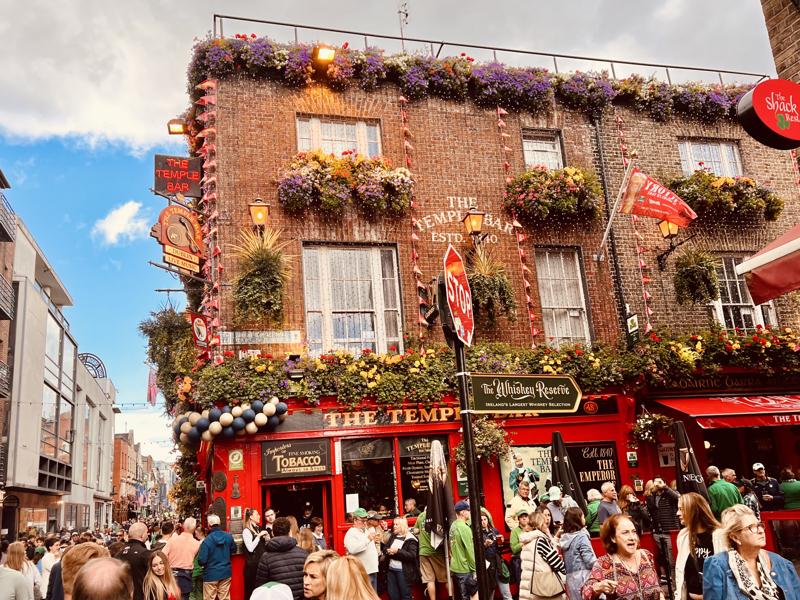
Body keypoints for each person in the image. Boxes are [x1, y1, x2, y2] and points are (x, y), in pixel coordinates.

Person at [702, 504, 800, 600]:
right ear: (735, 537)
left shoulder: (781, 563)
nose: (761, 530)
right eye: (751, 527)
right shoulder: (718, 566)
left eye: (759, 525)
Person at [581, 515, 663, 600]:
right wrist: (597, 588)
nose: (632, 537)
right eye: (625, 532)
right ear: (613, 538)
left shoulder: (646, 556)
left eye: (634, 532)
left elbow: (658, 590)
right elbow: (585, 594)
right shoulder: (604, 564)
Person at [674, 492, 724, 600]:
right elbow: (681, 572)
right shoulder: (683, 536)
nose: (677, 513)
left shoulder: (719, 536)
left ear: (695, 510)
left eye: (681, 509)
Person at [255, 517, 309, 600]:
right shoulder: (304, 554)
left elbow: (261, 587)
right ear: (290, 532)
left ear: (273, 533)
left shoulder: (265, 557)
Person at [519, 511, 566, 600]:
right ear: (539, 524)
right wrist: (567, 571)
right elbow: (556, 562)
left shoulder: (527, 540)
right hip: (541, 588)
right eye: (544, 523)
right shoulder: (540, 541)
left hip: (528, 586)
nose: (546, 525)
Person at [645, 476, 680, 584]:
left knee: (673, 561)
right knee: (666, 561)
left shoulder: (670, 494)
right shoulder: (652, 496)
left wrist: (665, 487)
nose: (657, 484)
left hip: (670, 531)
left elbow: (679, 498)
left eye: (659, 482)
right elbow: (650, 512)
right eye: (655, 482)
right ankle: (671, 583)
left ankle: (675, 587)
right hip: (658, 532)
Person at [559, 508, 596, 600]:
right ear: (578, 519)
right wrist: (600, 565)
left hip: (571, 579)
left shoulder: (565, 538)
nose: (584, 519)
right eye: (583, 516)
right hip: (584, 577)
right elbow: (589, 560)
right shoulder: (581, 536)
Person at [197, 514, 236, 600]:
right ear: (220, 523)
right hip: (225, 573)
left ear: (209, 525)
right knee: (225, 598)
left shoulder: (207, 541)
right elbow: (234, 550)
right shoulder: (228, 537)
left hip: (210, 574)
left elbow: (201, 560)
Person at [163, 518, 200, 600]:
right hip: (186, 576)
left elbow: (162, 556)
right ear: (194, 529)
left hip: (171, 574)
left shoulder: (172, 540)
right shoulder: (197, 544)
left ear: (183, 526)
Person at [343, 509, 379, 592]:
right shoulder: (351, 533)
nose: (365, 523)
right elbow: (353, 549)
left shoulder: (365, 530)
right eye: (362, 520)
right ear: (355, 520)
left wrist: (374, 540)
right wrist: (368, 539)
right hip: (362, 572)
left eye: (366, 520)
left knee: (373, 596)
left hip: (371, 569)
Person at [414, 508, 447, 600]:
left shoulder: (421, 516)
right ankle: (451, 597)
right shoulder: (438, 515)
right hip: (437, 551)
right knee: (447, 578)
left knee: (429, 580)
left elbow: (415, 530)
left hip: (424, 552)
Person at [383, 517, 419, 600]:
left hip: (403, 572)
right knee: (393, 596)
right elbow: (385, 548)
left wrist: (397, 552)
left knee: (405, 596)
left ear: (402, 526)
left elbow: (412, 555)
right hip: (391, 571)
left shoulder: (411, 539)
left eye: (396, 524)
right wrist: (388, 551)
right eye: (394, 524)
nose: (394, 526)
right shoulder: (393, 536)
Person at [481, 511, 512, 600]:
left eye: (485, 519)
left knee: (507, 594)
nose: (483, 521)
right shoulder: (478, 534)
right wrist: (484, 546)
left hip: (498, 563)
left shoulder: (494, 531)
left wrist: (501, 543)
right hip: (487, 566)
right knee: (489, 594)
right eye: (481, 520)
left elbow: (500, 549)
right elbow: (475, 552)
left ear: (488, 520)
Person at [450, 501, 478, 600]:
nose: (469, 512)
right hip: (465, 568)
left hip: (455, 567)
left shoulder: (453, 525)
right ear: (462, 512)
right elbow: (470, 551)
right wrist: (475, 569)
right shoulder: (464, 528)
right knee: (469, 596)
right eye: (468, 510)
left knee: (463, 595)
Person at [242, 509, 269, 600]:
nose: (259, 516)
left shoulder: (259, 528)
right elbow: (250, 548)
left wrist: (267, 538)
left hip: (260, 565)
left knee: (260, 591)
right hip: (252, 568)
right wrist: (258, 536)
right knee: (251, 591)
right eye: (257, 514)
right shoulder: (246, 531)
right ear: (251, 517)